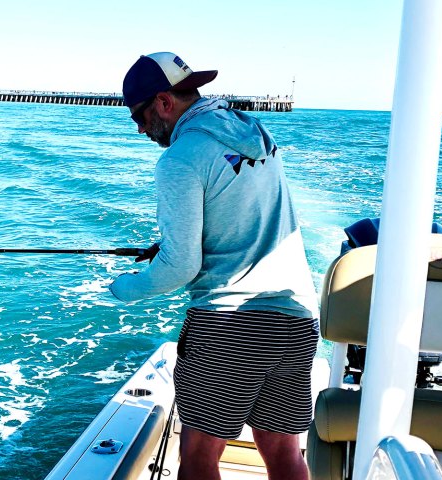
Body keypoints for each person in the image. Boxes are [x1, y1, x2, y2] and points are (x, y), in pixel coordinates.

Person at [109, 52, 319, 480]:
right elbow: (238, 214)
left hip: (230, 326)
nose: (140, 128)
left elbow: (180, 268)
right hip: (296, 320)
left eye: (140, 115)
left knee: (200, 456)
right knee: (284, 454)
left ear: (164, 102)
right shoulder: (255, 133)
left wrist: (123, 288)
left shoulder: (180, 158)